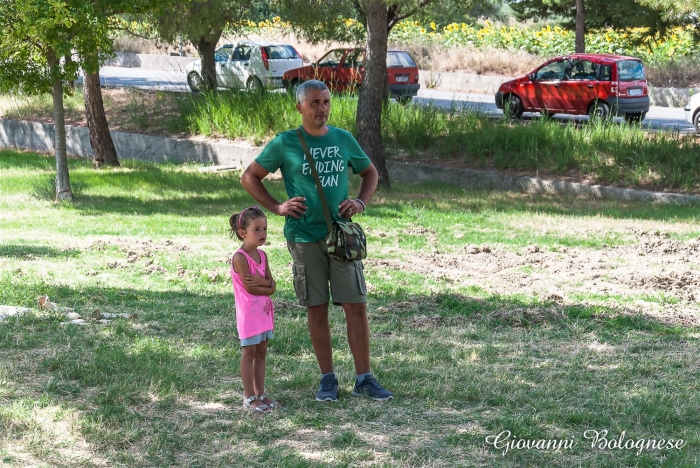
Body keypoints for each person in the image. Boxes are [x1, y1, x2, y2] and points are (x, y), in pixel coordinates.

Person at [241, 80, 393, 402]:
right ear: (299, 107)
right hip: (304, 237)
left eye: (326, 102)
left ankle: (364, 378)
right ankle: (328, 379)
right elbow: (249, 177)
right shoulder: (285, 143)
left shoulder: (342, 139)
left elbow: (370, 173)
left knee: (356, 305)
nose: (321, 108)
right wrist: (277, 207)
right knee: (316, 307)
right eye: (314, 102)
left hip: (341, 237)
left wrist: (360, 203)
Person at [229, 206, 279, 413]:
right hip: (249, 314)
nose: (263, 234)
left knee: (262, 352)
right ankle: (249, 397)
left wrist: (264, 283)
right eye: (256, 229)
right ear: (243, 233)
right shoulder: (240, 258)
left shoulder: (263, 256)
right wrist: (265, 285)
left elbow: (273, 286)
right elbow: (250, 287)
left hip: (264, 312)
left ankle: (261, 394)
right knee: (249, 352)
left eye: (265, 229)